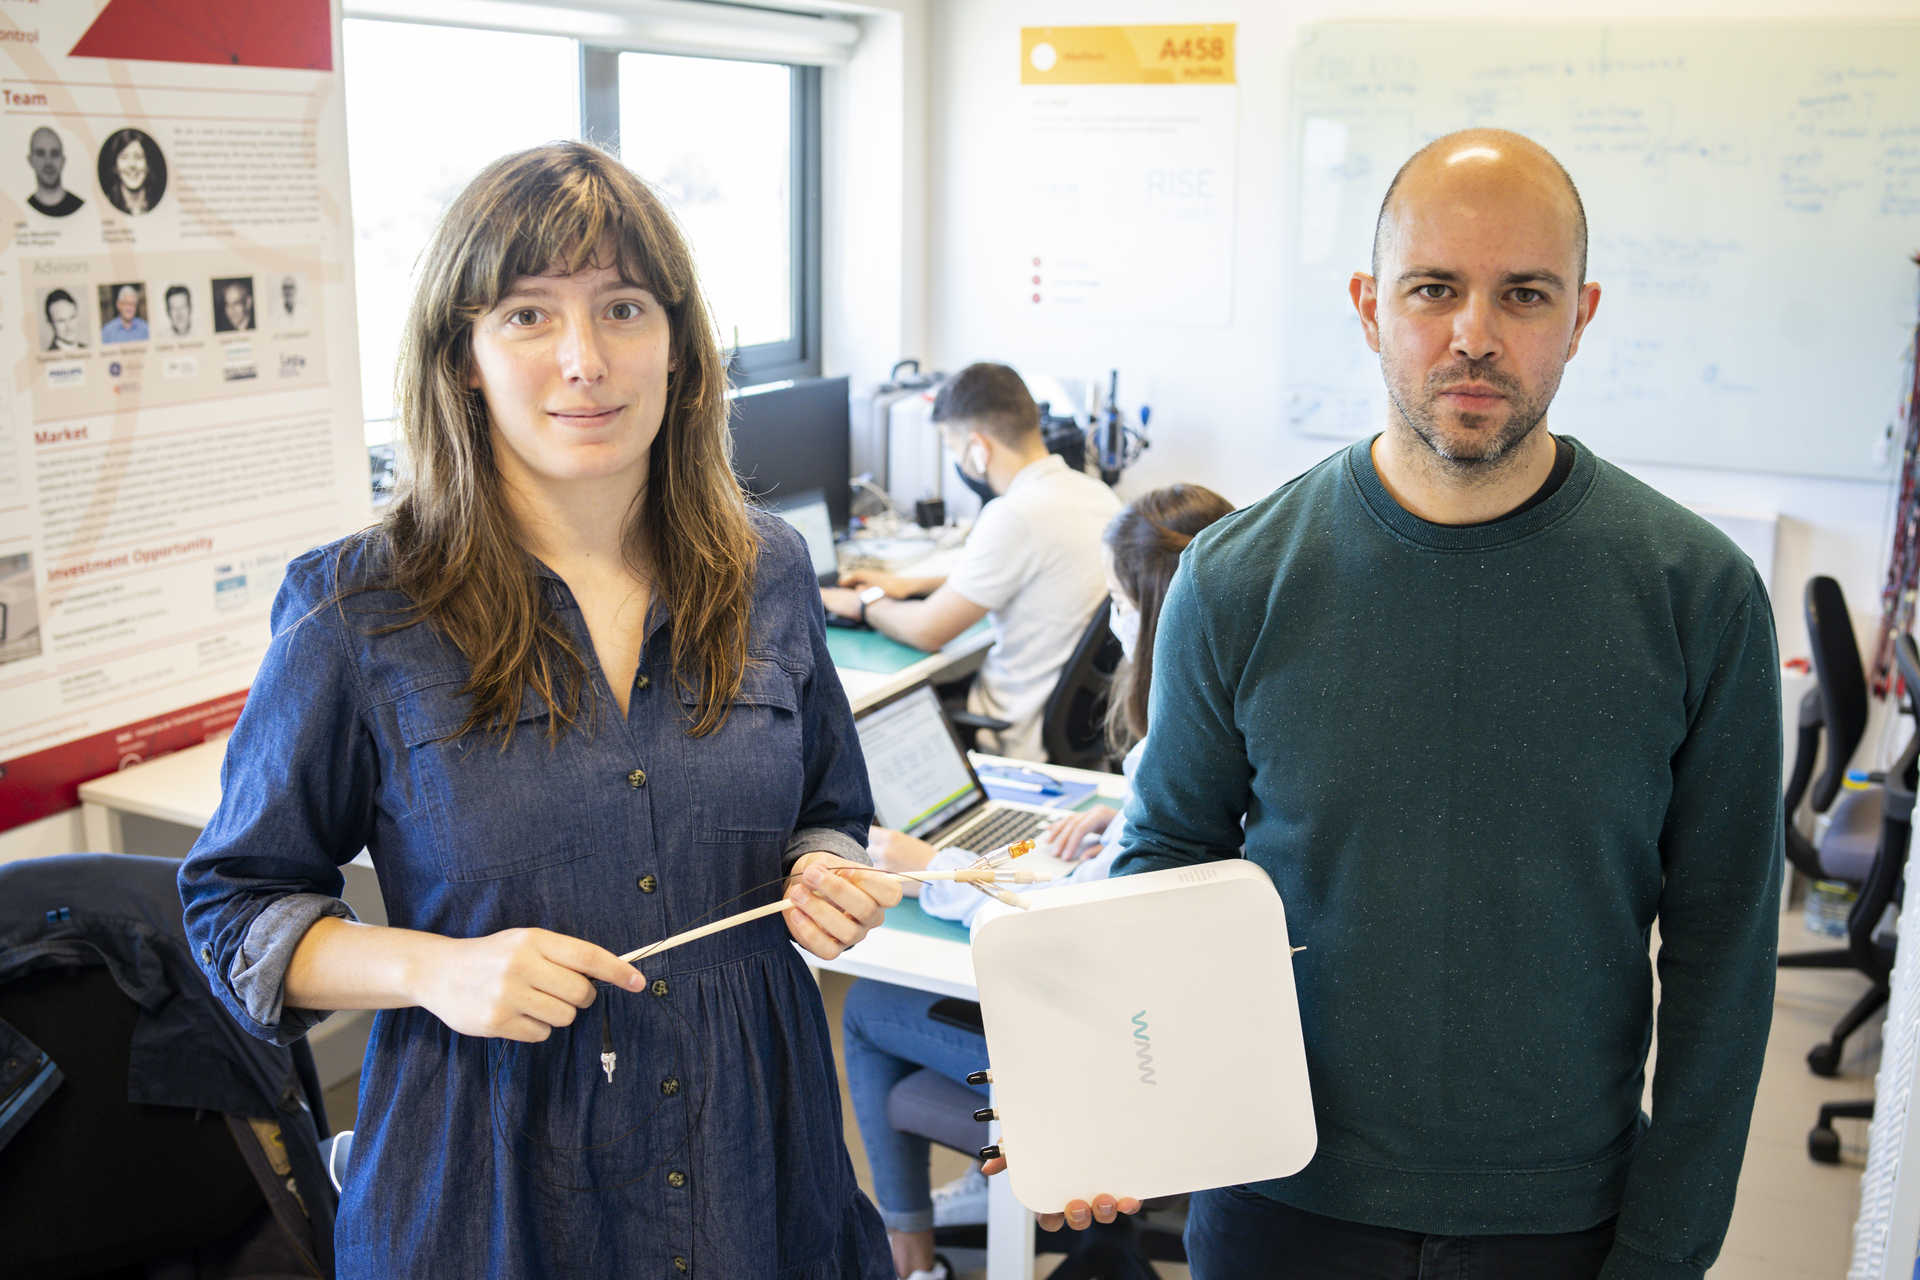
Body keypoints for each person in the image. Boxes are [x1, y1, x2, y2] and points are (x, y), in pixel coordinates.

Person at [1025, 128, 1782, 1277]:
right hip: (1276, 1194)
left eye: (1524, 293)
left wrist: (1666, 1251)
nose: (1475, 333)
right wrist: (1117, 1114)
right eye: (1436, 288)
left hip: (1561, 1218)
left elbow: (1727, 954)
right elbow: (1166, 858)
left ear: (1579, 316)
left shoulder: (1698, 595)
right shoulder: (1236, 576)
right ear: (1372, 305)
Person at [178, 141, 900, 1278]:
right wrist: (432, 968)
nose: (585, 360)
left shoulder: (769, 568)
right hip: (494, 1180)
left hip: (756, 1160)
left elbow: (829, 805)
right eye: (527, 315)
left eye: (622, 307)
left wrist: (825, 870)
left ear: (677, 342)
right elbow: (235, 910)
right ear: (463, 356)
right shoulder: (360, 607)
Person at [844, 484, 1234, 1280]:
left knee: (869, 1006)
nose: (1113, 624)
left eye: (1119, 604)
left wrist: (930, 868)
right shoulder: (1232, 723)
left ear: (1157, 617)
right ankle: (951, 1214)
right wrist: (1124, 810)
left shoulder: (1173, 746)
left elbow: (1048, 931)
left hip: (1121, 1049)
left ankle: (909, 1254)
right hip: (1193, 1027)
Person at [822, 363, 1120, 760]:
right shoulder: (1095, 495)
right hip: (1085, 729)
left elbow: (928, 631)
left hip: (1014, 736)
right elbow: (1024, 565)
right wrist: (912, 584)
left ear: (978, 448)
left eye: (951, 445)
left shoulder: (1014, 515)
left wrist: (866, 603)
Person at [99, 129, 163, 215]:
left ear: (148, 165)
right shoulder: (104, 204)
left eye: (138, 157)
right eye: (124, 157)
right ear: (115, 167)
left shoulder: (161, 205)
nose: (132, 165)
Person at [26, 127, 82, 217]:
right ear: (31, 160)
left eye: (55, 154)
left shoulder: (78, 205)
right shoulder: (25, 207)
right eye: (40, 153)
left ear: (63, 161)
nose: (48, 162)